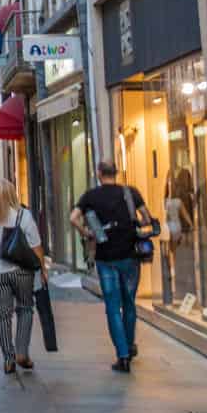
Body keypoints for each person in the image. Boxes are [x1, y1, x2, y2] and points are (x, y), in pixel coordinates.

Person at [72, 160, 156, 373]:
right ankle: (129, 344)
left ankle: (123, 356)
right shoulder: (130, 193)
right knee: (129, 302)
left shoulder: (91, 196)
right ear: (116, 173)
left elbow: (74, 218)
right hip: (130, 256)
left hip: (105, 257)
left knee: (112, 306)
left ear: (99, 173)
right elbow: (146, 217)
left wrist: (87, 233)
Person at [0, 179, 46, 375]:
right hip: (22, 271)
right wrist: (43, 269)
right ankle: (22, 351)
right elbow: (36, 245)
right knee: (25, 309)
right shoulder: (23, 215)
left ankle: (8, 358)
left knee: (2, 316)